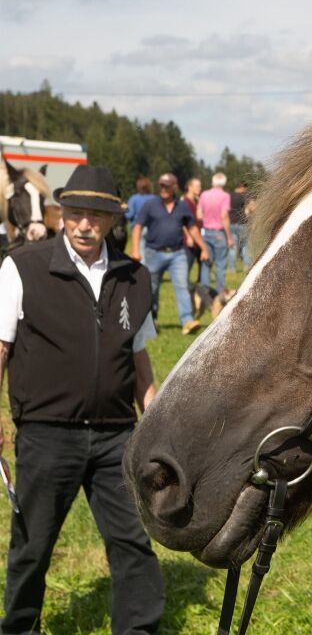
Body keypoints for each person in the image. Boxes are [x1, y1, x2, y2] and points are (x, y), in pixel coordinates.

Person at [0, 164, 164, 634]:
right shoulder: (23, 266)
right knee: (32, 545)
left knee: (133, 542)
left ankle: (138, 629)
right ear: (61, 215)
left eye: (96, 214)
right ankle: (20, 627)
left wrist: (151, 416)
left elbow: (139, 355)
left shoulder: (135, 277)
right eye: (75, 213)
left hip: (117, 436)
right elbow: (2, 345)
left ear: (113, 219)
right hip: (47, 433)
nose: (85, 224)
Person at [131, 173, 208, 335]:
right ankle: (152, 320)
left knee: (182, 286)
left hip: (177, 254)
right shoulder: (150, 205)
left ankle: (187, 321)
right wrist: (135, 250)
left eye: (167, 186)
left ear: (175, 187)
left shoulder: (182, 207)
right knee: (151, 289)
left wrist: (204, 248)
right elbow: (137, 227)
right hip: (154, 253)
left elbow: (193, 228)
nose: (163, 189)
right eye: (161, 186)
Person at [196, 172, 233, 299]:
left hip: (206, 232)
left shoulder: (204, 195)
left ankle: (205, 294)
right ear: (224, 184)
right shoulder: (225, 196)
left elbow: (199, 215)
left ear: (212, 183)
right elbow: (224, 216)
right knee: (220, 266)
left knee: (206, 265)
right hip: (219, 234)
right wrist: (229, 237)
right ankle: (219, 296)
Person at [124, 177, 155, 264]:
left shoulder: (133, 199)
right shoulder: (154, 199)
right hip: (152, 228)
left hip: (137, 228)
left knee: (140, 251)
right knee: (151, 251)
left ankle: (143, 272)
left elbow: (129, 215)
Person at [182, 177, 202, 282]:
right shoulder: (184, 202)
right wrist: (188, 236)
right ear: (190, 187)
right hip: (188, 239)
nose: (200, 188)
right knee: (187, 264)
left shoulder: (197, 201)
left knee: (201, 262)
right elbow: (182, 222)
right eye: (197, 186)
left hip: (198, 237)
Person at [228, 181, 251, 272]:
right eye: (245, 188)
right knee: (245, 246)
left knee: (233, 247)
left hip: (231, 224)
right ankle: (247, 266)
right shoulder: (244, 197)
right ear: (241, 188)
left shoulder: (229, 195)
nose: (246, 190)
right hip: (242, 224)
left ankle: (232, 269)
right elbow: (250, 208)